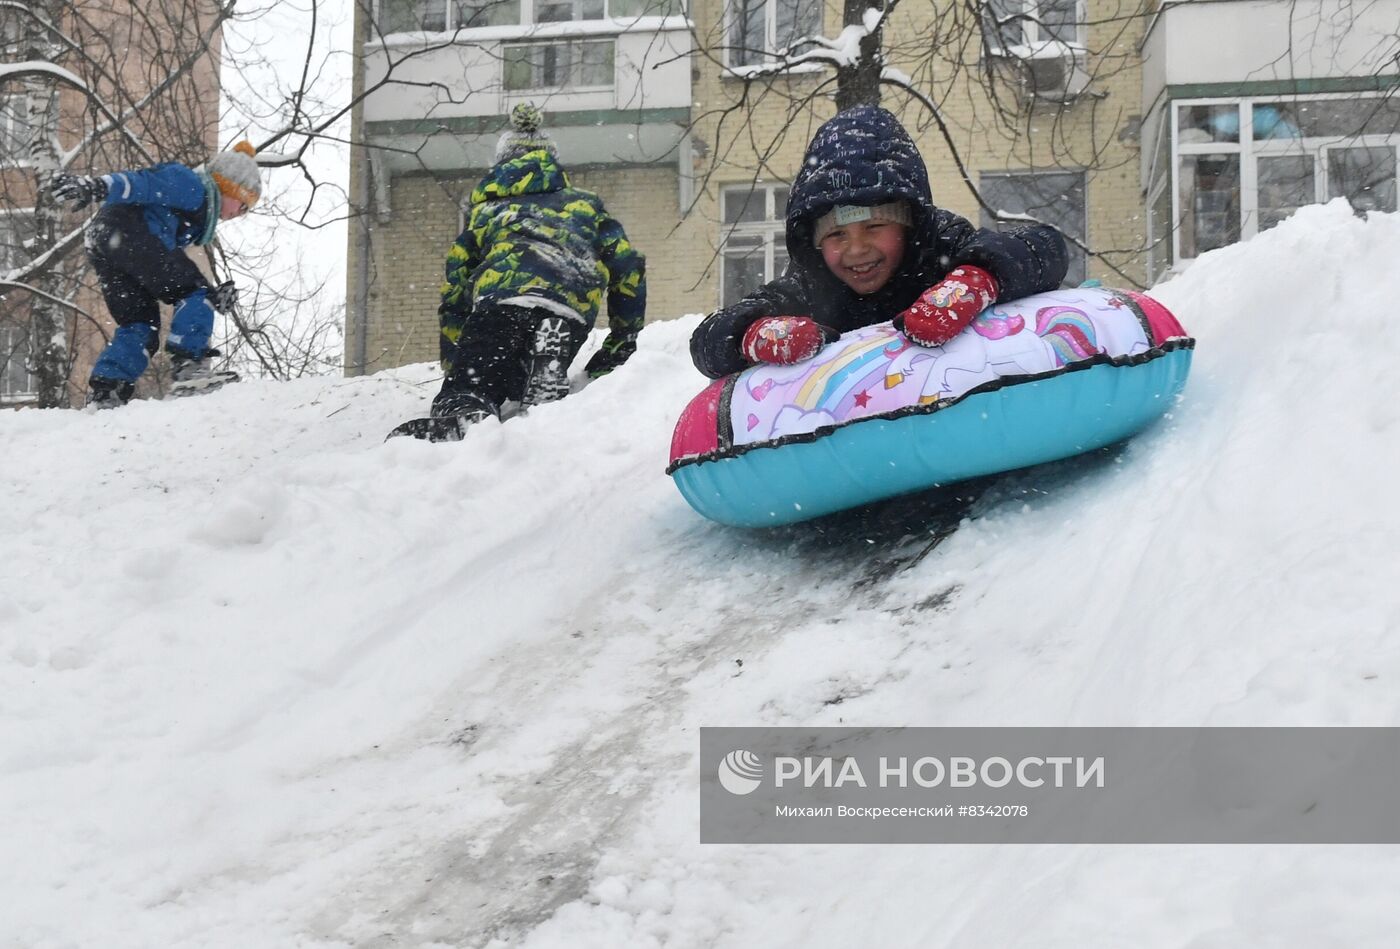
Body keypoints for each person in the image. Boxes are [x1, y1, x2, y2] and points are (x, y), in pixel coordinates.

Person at [690, 106, 1068, 379]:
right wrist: (751, 334)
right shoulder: (811, 284)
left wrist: (974, 280)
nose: (856, 249)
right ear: (816, 242)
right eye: (836, 234)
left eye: (874, 227)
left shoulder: (942, 246)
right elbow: (708, 341)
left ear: (907, 224)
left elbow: (1043, 247)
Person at [410, 102, 646, 440]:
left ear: (502, 164)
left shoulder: (488, 212)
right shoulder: (586, 205)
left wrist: (458, 362)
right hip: (569, 308)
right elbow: (626, 266)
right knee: (523, 370)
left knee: (479, 378)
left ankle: (467, 408)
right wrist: (620, 344)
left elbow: (456, 286)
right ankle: (541, 365)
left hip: (501, 304)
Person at [49, 142, 260, 407]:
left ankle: (108, 388)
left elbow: (166, 265)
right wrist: (99, 186)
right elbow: (144, 183)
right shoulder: (192, 186)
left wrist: (211, 296)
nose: (240, 215)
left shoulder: (192, 211)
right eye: (243, 205)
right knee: (196, 292)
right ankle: (190, 367)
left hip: (106, 241)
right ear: (227, 187)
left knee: (140, 323)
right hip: (128, 231)